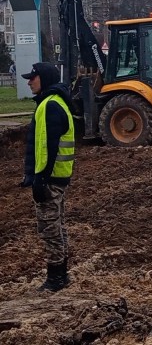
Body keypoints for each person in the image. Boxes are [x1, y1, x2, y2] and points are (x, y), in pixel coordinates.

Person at [20, 62, 75, 292]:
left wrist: (39, 178)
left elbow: (47, 147)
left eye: (33, 77)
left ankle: (56, 278)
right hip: (57, 178)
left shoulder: (50, 106)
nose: (29, 81)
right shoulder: (54, 102)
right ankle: (60, 274)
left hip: (50, 180)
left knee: (50, 228)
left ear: (44, 78)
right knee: (56, 226)